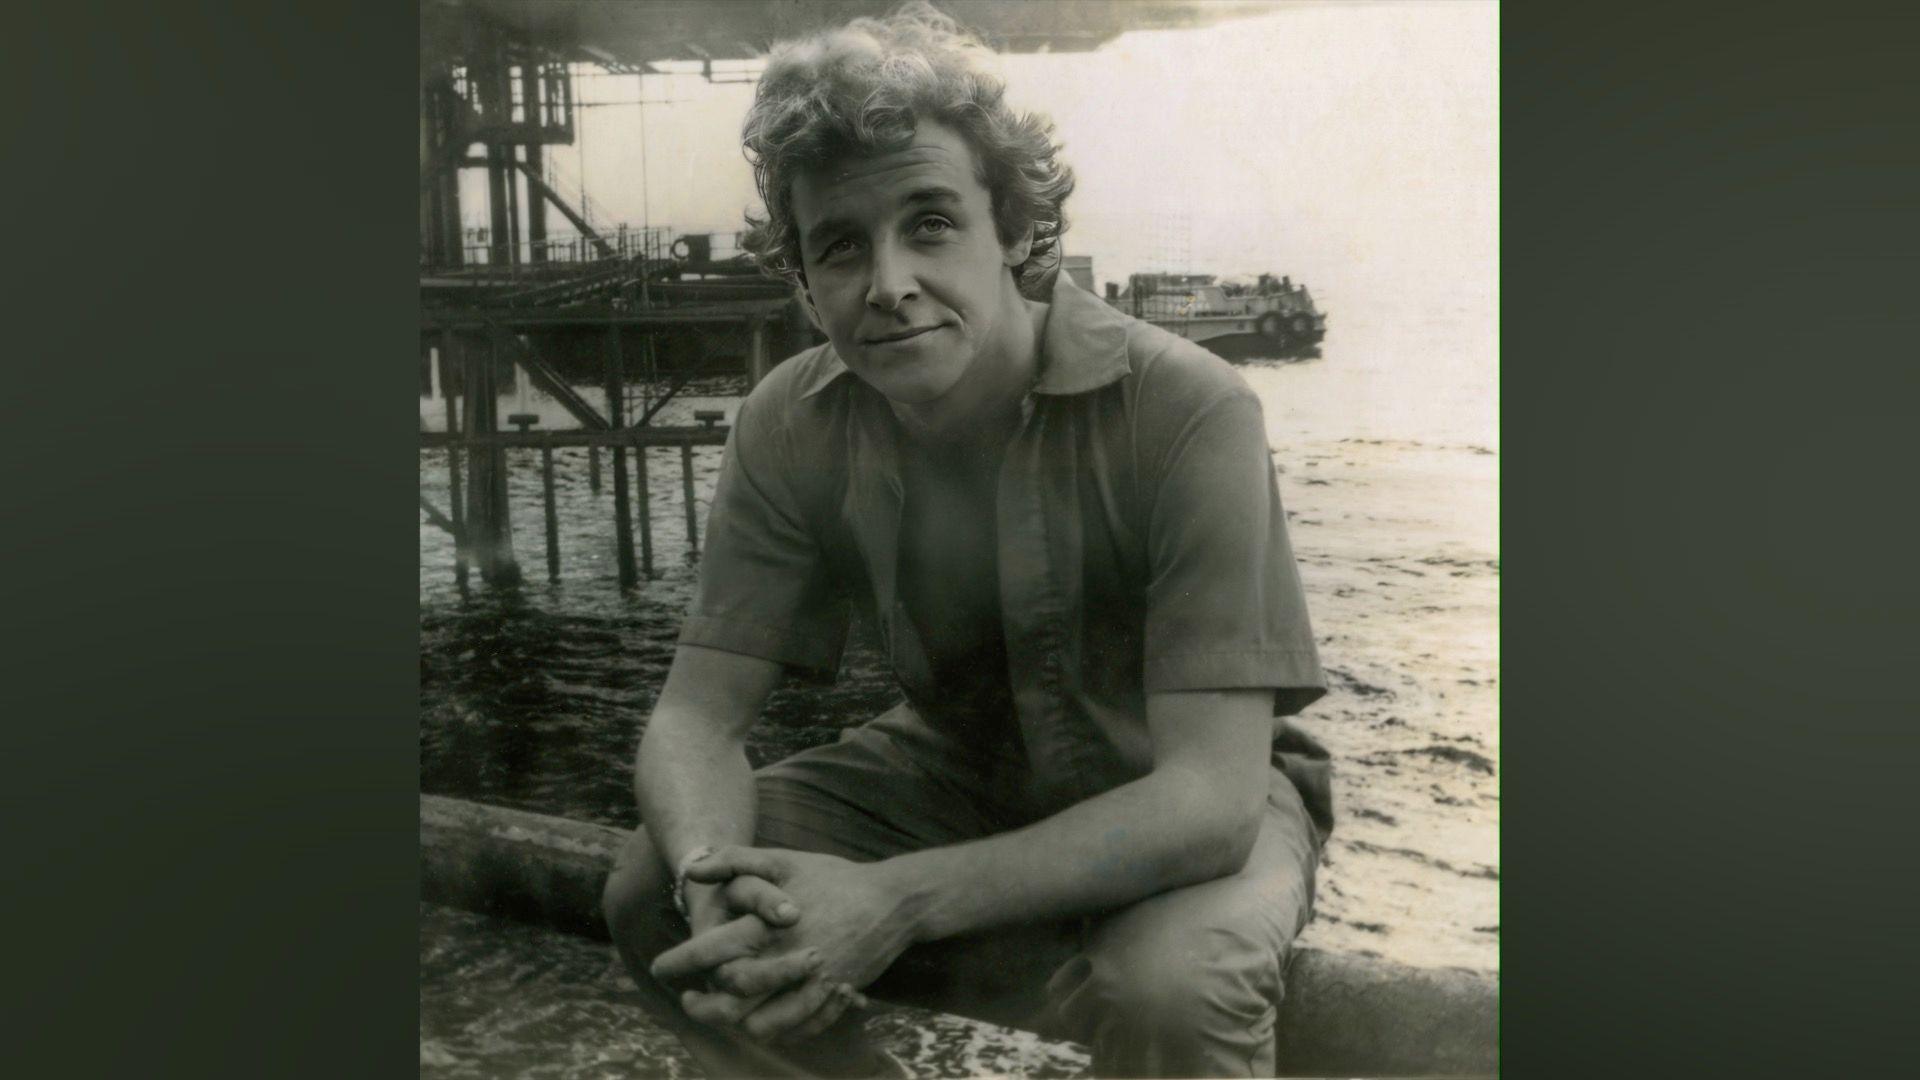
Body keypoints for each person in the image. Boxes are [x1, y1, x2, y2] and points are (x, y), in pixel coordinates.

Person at [601, 4, 1333, 1076]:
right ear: (803, 283)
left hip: (1186, 780)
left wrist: (894, 903)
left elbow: (1211, 806)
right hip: (962, 765)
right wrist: (710, 871)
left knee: (1167, 989)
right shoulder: (790, 421)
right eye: (840, 248)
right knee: (652, 895)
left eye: (930, 223)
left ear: (1018, 231)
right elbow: (696, 722)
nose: (888, 284)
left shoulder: (1187, 408)